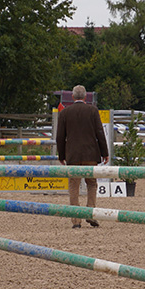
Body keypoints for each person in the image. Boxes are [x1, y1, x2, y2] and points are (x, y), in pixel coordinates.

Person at [56, 85, 109, 229]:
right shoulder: (93, 110)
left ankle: (76, 220)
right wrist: (105, 152)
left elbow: (60, 137)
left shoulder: (65, 112)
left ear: (72, 97)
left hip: (72, 155)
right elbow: (100, 133)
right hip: (90, 154)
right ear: (85, 97)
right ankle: (90, 212)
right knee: (91, 184)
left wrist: (61, 155)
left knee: (74, 185)